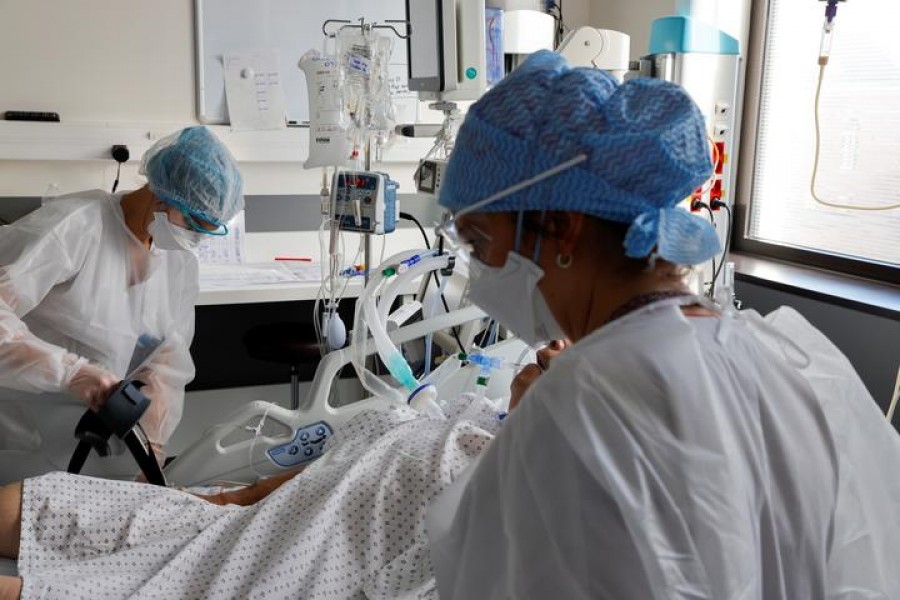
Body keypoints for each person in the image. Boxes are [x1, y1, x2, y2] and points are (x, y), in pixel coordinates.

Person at [425, 50, 900, 599]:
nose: (479, 270)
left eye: (481, 242)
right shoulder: (787, 355)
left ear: (559, 225)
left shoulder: (576, 405)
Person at [0, 126, 243, 484]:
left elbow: (167, 363)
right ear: (162, 197)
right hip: (27, 428)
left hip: (100, 441)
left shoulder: (176, 263)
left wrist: (154, 446)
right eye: (193, 224)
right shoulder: (75, 227)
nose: (194, 238)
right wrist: (69, 371)